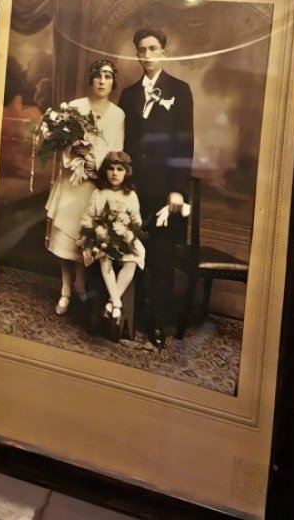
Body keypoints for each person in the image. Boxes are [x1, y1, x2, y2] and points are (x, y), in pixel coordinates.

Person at [118, 27, 194, 347]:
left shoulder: (180, 90)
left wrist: (178, 189)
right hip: (133, 188)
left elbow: (184, 143)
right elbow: (123, 143)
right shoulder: (128, 95)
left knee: (162, 258)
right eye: (142, 49)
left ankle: (157, 323)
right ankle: (126, 317)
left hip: (165, 191)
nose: (147, 55)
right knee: (130, 251)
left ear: (164, 52)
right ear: (136, 54)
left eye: (153, 48)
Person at [44, 59, 124, 316]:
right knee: (65, 239)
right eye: (98, 75)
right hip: (72, 182)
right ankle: (65, 290)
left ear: (113, 82)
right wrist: (75, 152)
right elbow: (61, 142)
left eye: (108, 76)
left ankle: (80, 284)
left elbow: (116, 151)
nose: (102, 81)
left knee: (84, 238)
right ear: (91, 79)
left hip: (95, 186)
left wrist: (95, 163)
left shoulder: (118, 115)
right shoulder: (75, 107)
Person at [79, 152, 145, 335]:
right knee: (105, 255)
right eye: (111, 169)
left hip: (122, 237)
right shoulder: (99, 193)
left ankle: (111, 303)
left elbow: (137, 221)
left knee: (132, 259)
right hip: (102, 238)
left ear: (126, 172)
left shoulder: (131, 196)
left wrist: (128, 232)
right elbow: (87, 218)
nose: (115, 173)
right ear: (105, 171)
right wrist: (97, 230)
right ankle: (116, 303)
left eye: (119, 169)